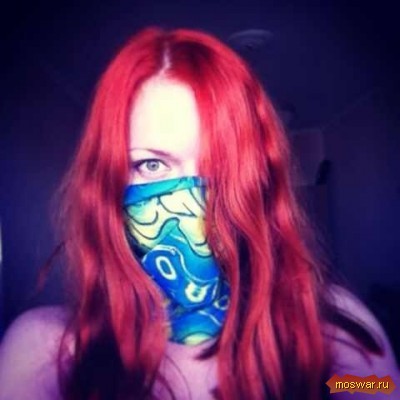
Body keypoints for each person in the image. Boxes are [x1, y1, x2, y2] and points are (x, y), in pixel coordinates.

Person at [0, 27, 398, 400]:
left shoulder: (332, 335)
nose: (193, 209)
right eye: (152, 165)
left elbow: (371, 387)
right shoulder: (47, 355)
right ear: (107, 186)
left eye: (220, 165)